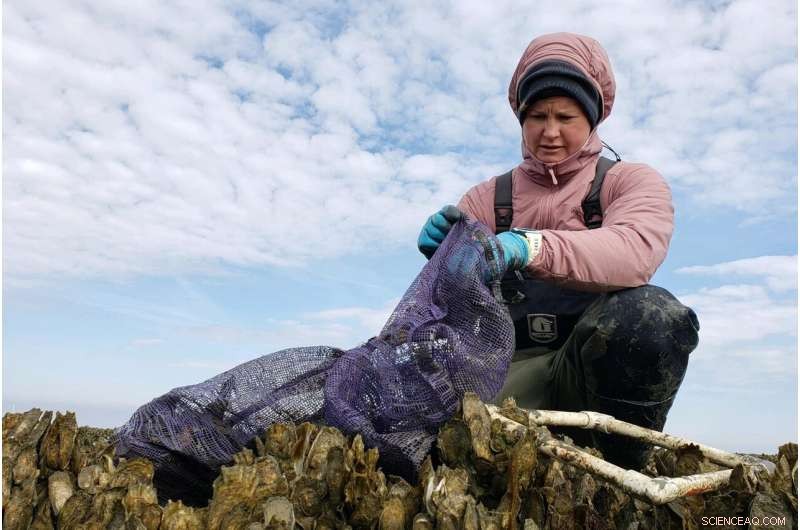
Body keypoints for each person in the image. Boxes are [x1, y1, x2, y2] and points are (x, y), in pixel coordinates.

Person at [417, 32, 699, 468]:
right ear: (521, 118)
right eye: (537, 116)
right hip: (504, 372)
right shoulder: (485, 198)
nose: (550, 132)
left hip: (587, 376)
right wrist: (443, 258)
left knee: (652, 315)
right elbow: (451, 304)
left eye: (565, 116)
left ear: (593, 118)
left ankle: (620, 463)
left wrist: (530, 246)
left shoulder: (630, 181)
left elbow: (635, 251)